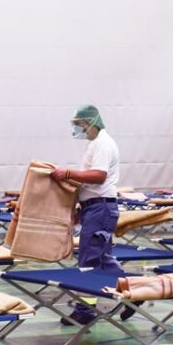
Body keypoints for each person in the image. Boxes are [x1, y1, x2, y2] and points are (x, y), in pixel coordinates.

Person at [51, 104, 124, 325]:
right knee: (103, 259)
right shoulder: (95, 144)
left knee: (89, 260)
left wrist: (68, 173)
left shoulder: (102, 143)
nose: (78, 129)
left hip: (101, 208)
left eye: (80, 125)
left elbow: (98, 176)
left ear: (90, 123)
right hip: (94, 207)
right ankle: (135, 289)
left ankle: (85, 310)